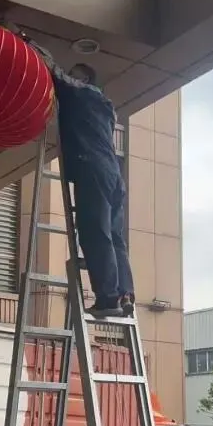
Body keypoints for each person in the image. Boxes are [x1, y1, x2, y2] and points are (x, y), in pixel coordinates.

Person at [26, 39, 135, 318]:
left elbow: (55, 72)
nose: (69, 77)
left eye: (74, 74)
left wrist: (29, 43)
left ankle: (108, 298)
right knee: (114, 237)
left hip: (92, 169)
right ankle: (124, 293)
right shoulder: (106, 107)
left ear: (84, 79)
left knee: (94, 232)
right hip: (113, 175)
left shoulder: (82, 92)